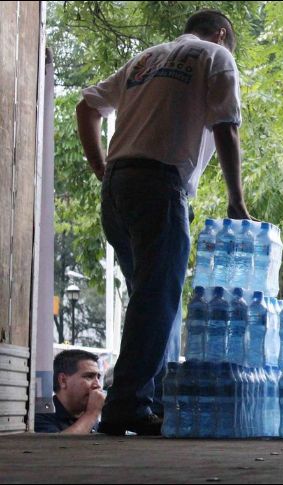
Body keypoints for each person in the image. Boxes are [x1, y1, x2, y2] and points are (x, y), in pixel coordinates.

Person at [75, 9, 253, 436]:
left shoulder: (146, 59)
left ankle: (150, 402)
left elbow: (87, 107)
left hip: (118, 187)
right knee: (156, 300)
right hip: (159, 186)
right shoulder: (215, 55)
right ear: (222, 34)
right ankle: (128, 405)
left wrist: (102, 167)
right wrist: (236, 201)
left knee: (154, 300)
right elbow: (226, 129)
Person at [35, 350, 105, 434]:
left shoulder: (89, 415)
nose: (98, 385)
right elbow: (58, 446)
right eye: (89, 377)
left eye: (98, 377)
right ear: (63, 380)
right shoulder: (41, 417)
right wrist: (92, 414)